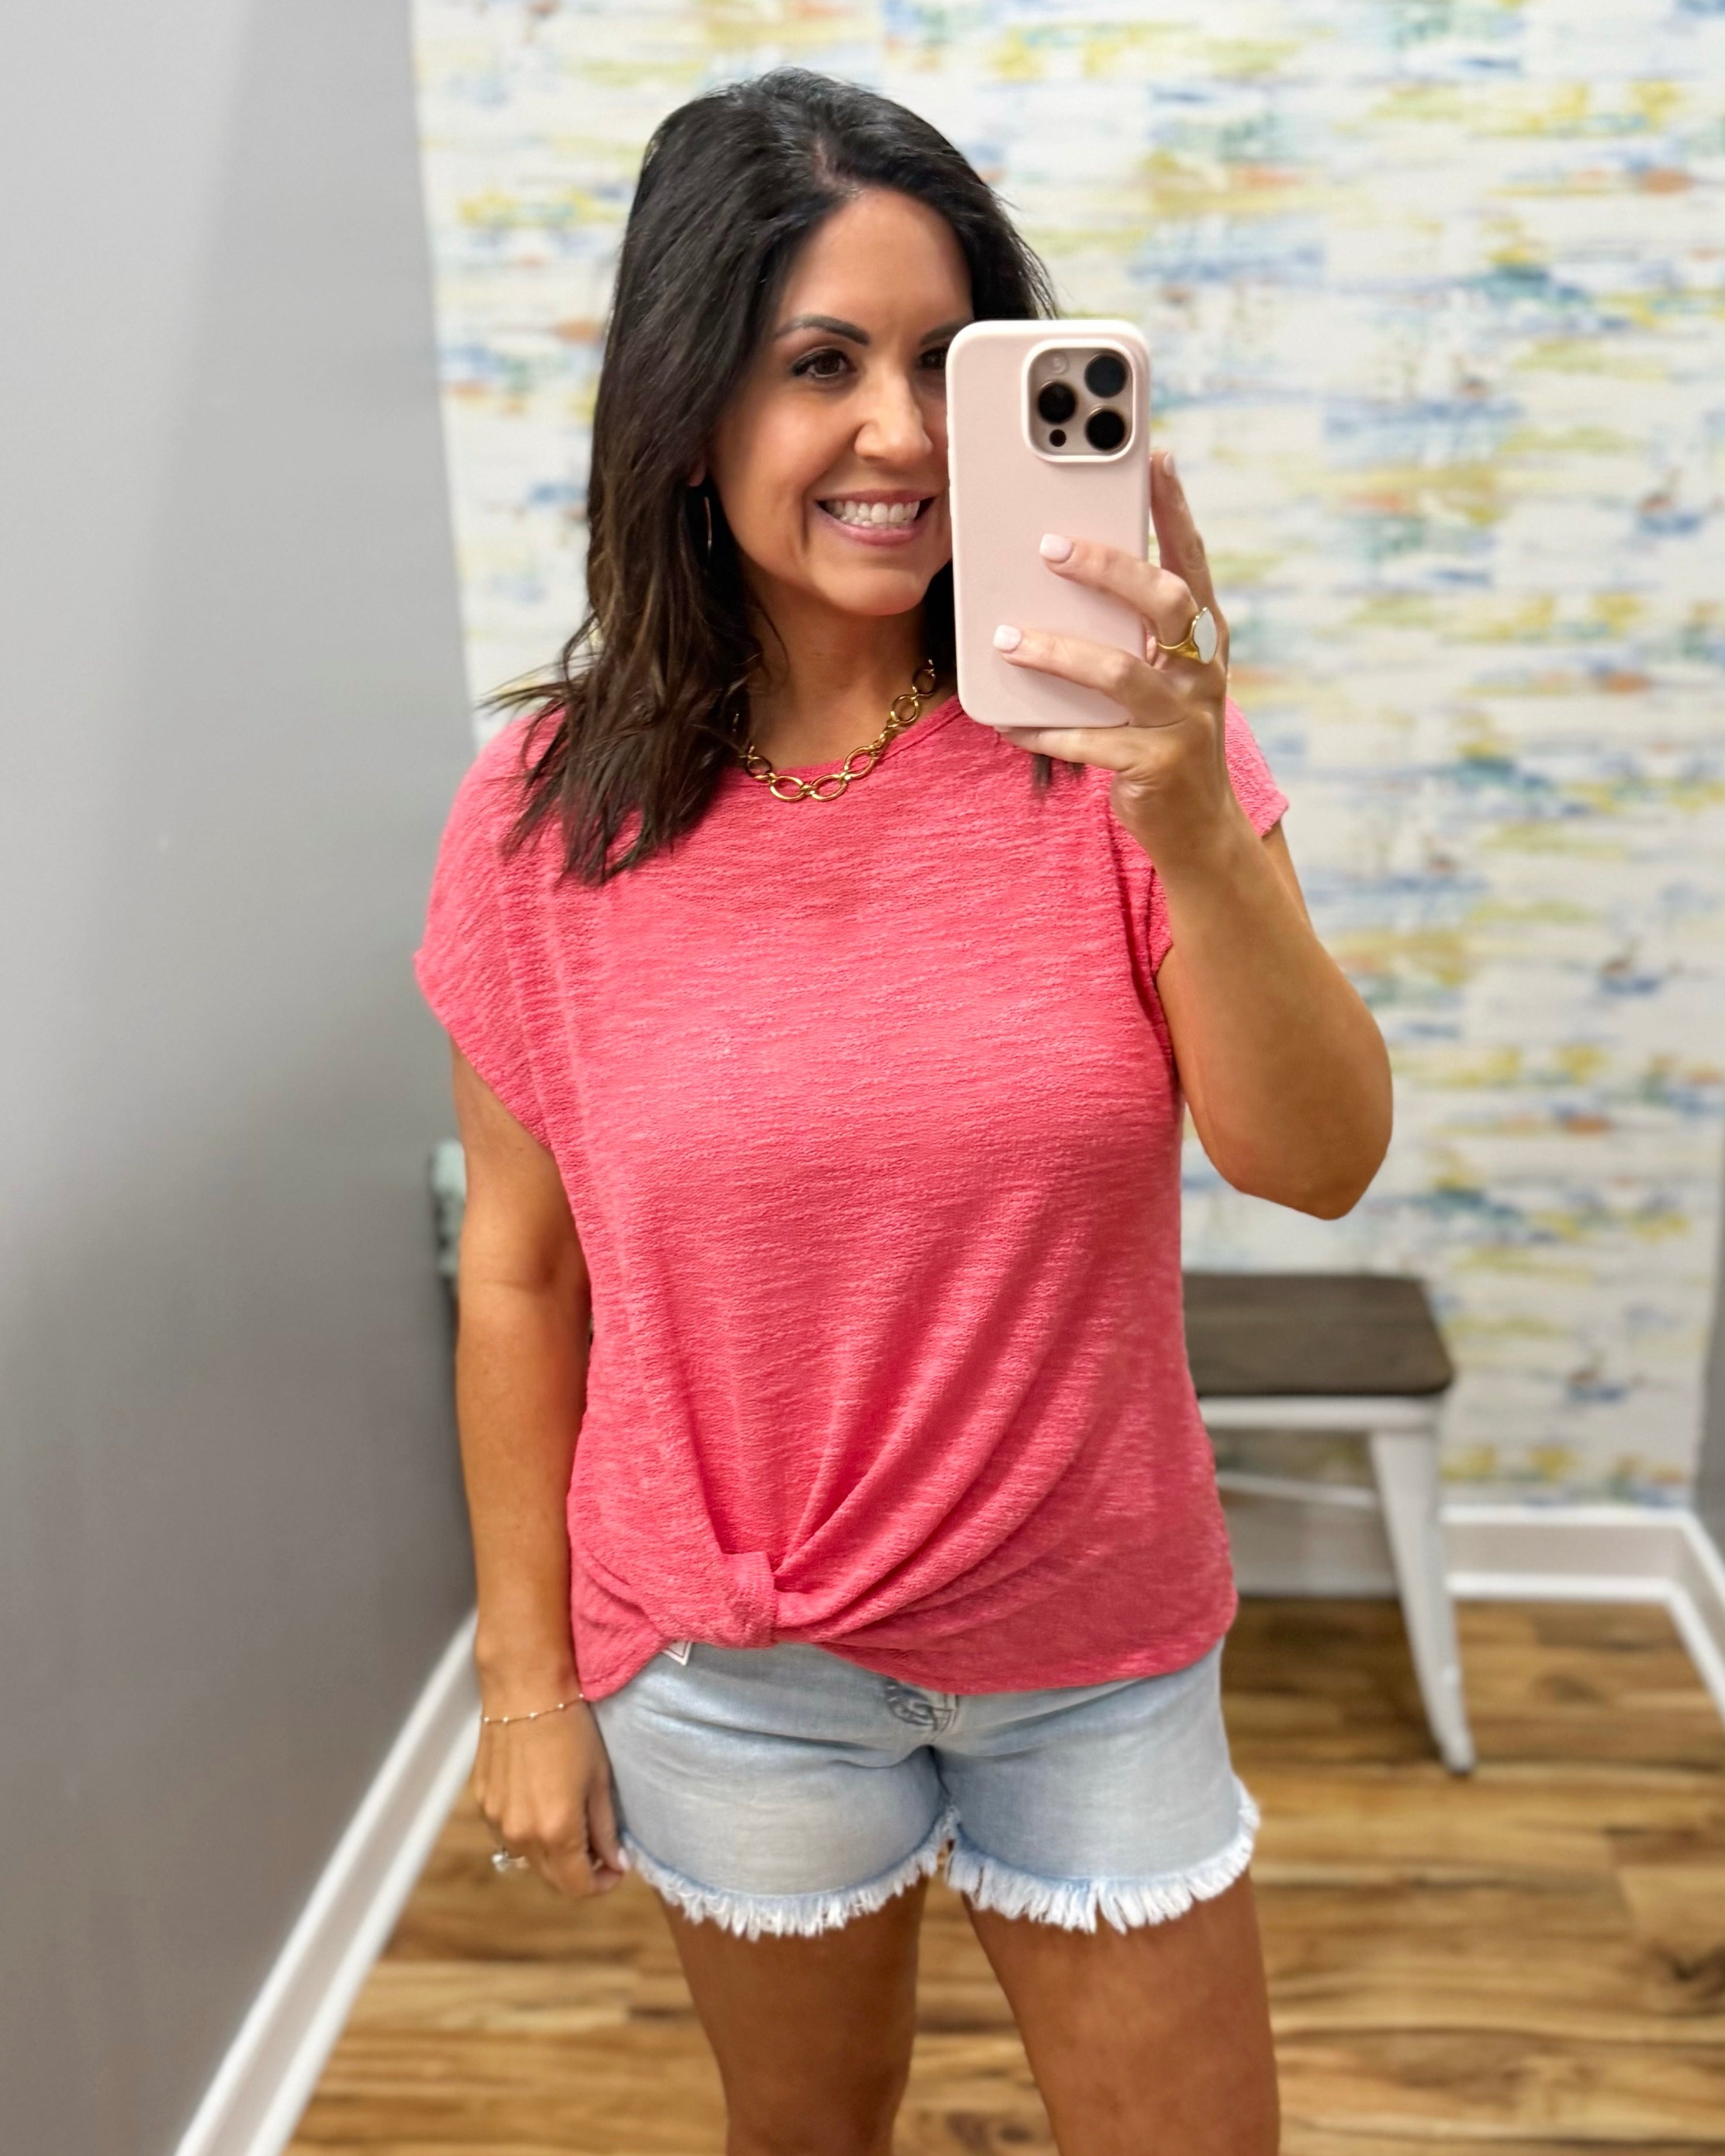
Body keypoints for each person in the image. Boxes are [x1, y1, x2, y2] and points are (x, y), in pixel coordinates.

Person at [416, 67, 1391, 2156]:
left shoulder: (1123, 755)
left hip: (1092, 1641)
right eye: (817, 364)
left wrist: (1199, 820)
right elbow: (518, 1272)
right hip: (733, 1665)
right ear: (690, 414)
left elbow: (1316, 1159)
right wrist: (525, 1688)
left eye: (949, 366)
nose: (894, 429)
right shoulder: (541, 821)